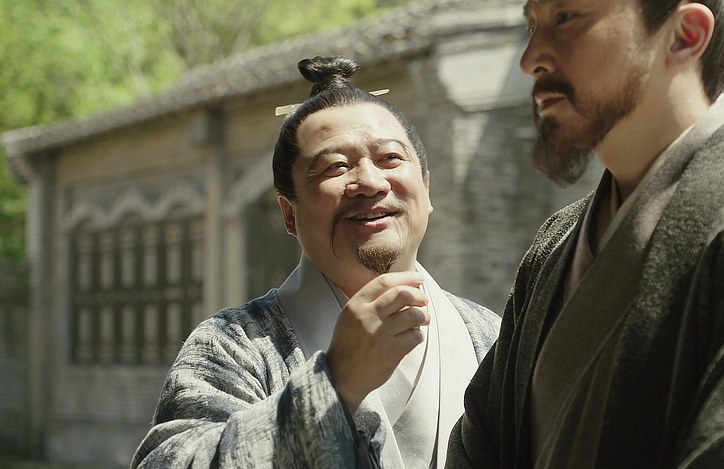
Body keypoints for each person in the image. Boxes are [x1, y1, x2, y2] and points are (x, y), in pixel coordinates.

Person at [447, 0, 724, 467]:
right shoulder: (555, 244)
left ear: (685, 34)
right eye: (532, 25)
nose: (530, 60)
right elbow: (478, 446)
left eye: (565, 18)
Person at [131, 56, 500, 469]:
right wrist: (333, 384)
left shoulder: (488, 336)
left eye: (390, 159)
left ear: (426, 190)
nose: (370, 182)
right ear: (289, 214)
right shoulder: (235, 345)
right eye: (334, 167)